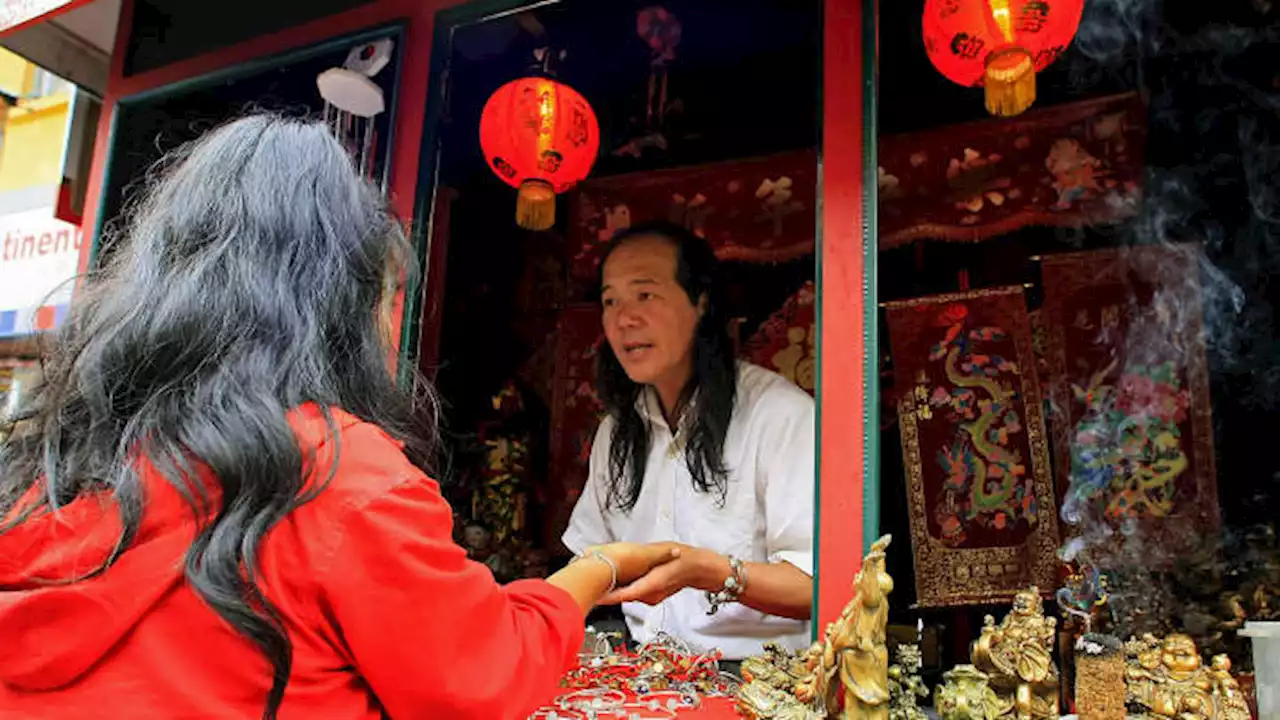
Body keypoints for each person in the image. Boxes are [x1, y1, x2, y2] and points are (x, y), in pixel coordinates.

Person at [0, 116, 677, 720]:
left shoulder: (66, 455)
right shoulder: (340, 475)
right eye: (386, 297)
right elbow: (479, 683)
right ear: (342, 310)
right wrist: (597, 573)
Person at [562, 221, 816, 661]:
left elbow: (819, 587)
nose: (625, 318)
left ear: (700, 302)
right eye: (610, 300)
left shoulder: (779, 416)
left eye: (645, 294)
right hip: (646, 677)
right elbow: (589, 560)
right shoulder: (617, 432)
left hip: (765, 683)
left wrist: (711, 572)